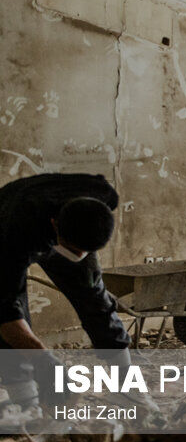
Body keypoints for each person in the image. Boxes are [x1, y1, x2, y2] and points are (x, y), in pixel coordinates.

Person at [0, 173, 130, 409]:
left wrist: (77, 251)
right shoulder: (11, 235)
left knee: (94, 296)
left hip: (64, 225)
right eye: (74, 249)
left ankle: (129, 389)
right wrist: (47, 364)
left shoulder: (104, 196)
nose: (78, 256)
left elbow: (80, 255)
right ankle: (26, 404)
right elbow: (8, 319)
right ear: (54, 225)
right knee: (11, 312)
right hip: (12, 229)